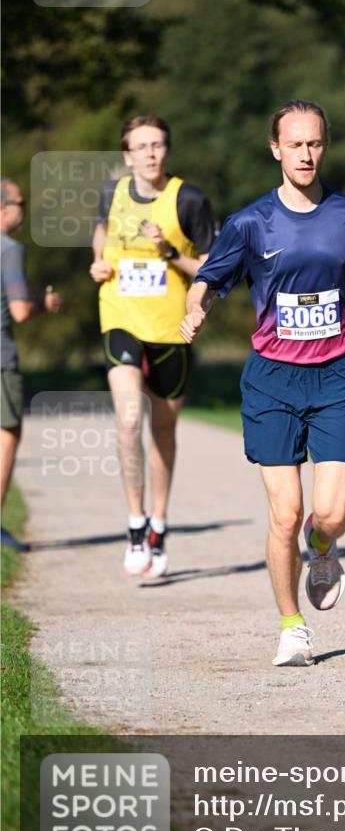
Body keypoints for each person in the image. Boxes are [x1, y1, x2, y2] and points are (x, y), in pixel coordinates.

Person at [180, 100, 345, 666]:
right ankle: (291, 626)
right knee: (284, 513)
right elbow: (207, 279)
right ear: (275, 148)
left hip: (338, 378)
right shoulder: (250, 222)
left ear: (326, 146)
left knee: (329, 514)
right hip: (272, 380)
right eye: (295, 144)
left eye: (315, 143)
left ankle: (323, 549)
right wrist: (194, 308)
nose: (306, 153)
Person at [89, 116, 217, 576]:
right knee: (127, 418)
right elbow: (101, 232)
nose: (150, 153)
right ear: (127, 155)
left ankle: (160, 523)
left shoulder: (190, 199)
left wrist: (168, 253)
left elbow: (209, 267)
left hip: (171, 328)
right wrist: (98, 263)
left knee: (163, 430)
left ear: (167, 150)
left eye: (158, 145)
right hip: (120, 317)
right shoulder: (113, 193)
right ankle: (135, 521)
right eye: (141, 146)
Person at [1, 179, 62, 549]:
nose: (25, 210)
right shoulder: (9, 249)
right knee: (7, 435)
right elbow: (21, 311)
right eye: (20, 203)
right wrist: (46, 304)